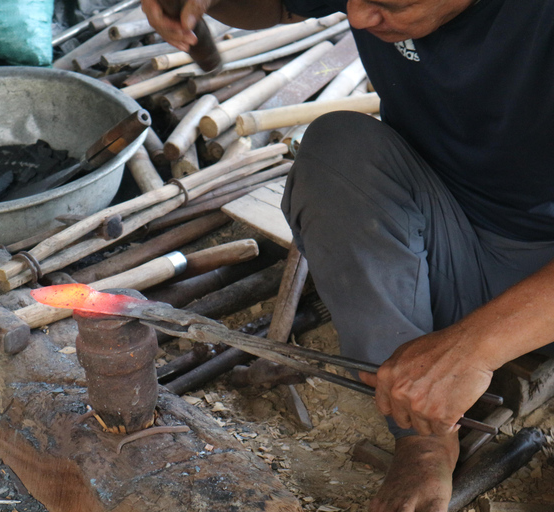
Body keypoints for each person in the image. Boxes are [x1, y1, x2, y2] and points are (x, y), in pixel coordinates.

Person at [142, 0, 554, 511]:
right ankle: (423, 436)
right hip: (437, 221)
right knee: (337, 147)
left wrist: (476, 346)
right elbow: (270, 7)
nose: (357, 17)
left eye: (390, 4)